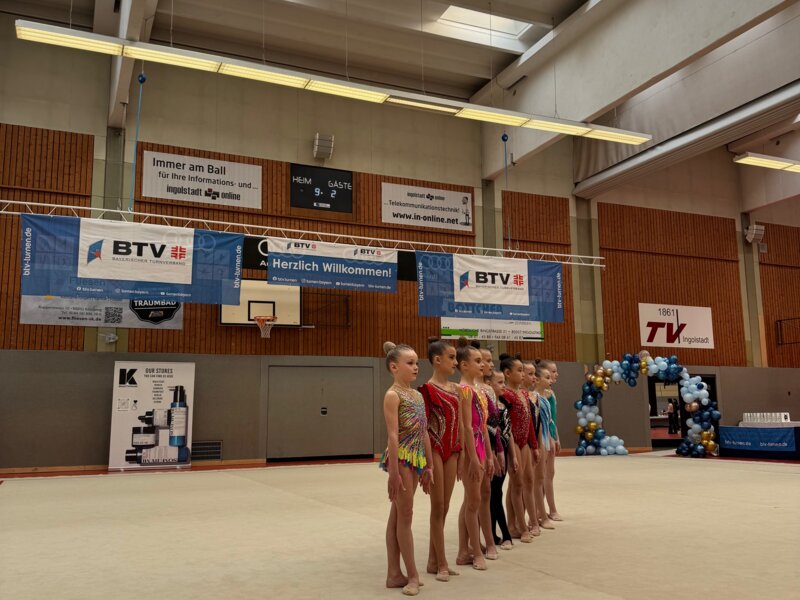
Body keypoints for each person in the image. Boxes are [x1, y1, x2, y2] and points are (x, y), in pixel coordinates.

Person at [380, 342, 434, 596]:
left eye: (416, 363)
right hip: (401, 458)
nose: (416, 367)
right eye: (410, 363)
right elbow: (392, 435)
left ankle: (394, 574)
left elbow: (424, 432)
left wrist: (429, 465)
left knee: (398, 516)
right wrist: (393, 473)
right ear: (394, 367)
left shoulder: (417, 395)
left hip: (415, 459)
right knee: (406, 516)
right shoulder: (393, 395)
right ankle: (412, 575)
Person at [418, 338, 461, 583]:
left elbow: (461, 424)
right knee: (438, 507)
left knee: (445, 506)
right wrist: (427, 463)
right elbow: (423, 427)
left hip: (452, 450)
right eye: (451, 357)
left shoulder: (456, 389)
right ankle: (442, 562)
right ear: (437, 360)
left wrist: (462, 453)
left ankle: (433, 560)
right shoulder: (426, 390)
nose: (455, 362)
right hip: (434, 449)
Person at [454, 339, 494, 571]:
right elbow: (466, 427)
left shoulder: (478, 389)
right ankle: (475, 551)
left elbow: (483, 426)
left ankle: (463, 550)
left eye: (482, 361)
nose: (482, 365)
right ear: (464, 365)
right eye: (477, 361)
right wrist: (473, 458)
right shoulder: (464, 390)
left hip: (480, 445)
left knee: (472, 500)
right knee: (473, 501)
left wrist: (489, 455)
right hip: (471, 449)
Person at [499, 354, 539, 543]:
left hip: (525, 443)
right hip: (513, 441)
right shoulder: (505, 394)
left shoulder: (523, 393)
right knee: (517, 484)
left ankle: (529, 521)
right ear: (508, 373)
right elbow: (506, 424)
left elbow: (529, 422)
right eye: (520, 370)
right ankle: (519, 527)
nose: (523, 374)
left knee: (528, 480)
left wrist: (534, 445)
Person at [473, 344, 501, 561]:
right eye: (485, 360)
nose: (489, 364)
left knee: (486, 493)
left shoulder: (488, 389)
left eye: (491, 361)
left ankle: (487, 539)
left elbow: (494, 423)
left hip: (489, 443)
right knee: (473, 498)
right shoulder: (468, 388)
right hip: (476, 445)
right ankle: (470, 544)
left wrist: (496, 450)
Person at [488, 368, 516, 550]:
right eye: (499, 382)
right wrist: (492, 453)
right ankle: (504, 534)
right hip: (492, 452)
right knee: (494, 493)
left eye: (504, 382)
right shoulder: (487, 405)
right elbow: (488, 432)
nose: (504, 385)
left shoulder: (504, 403)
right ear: (488, 384)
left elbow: (509, 431)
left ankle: (495, 534)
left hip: (503, 451)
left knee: (497, 492)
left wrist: (513, 455)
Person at [530, 361, 556, 531]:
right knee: (538, 479)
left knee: (541, 477)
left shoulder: (545, 397)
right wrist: (538, 444)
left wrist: (552, 438)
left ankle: (540, 513)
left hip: (546, 439)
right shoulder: (534, 398)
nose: (550, 380)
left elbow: (549, 420)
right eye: (547, 377)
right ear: (537, 380)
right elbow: (536, 423)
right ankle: (540, 515)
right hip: (539, 440)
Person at [537, 359, 563, 521]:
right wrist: (550, 438)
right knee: (544, 476)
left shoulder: (550, 393)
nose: (556, 374)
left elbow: (552, 419)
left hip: (551, 436)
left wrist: (556, 437)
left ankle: (544, 509)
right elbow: (543, 421)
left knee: (550, 474)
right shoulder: (542, 395)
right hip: (544, 438)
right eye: (552, 372)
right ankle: (550, 510)